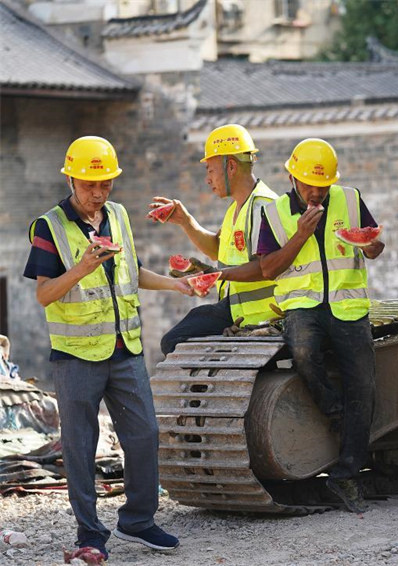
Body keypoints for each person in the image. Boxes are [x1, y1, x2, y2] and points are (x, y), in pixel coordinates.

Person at [24, 136, 189, 560]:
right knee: (80, 445)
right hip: (76, 356)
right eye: (89, 185)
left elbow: (130, 272)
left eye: (105, 185)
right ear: (71, 179)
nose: (98, 194)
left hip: (125, 347)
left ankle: (138, 521)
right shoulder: (49, 227)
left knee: (144, 433)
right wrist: (82, 266)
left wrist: (175, 283)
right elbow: (45, 295)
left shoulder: (117, 215)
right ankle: (90, 534)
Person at [258, 138, 384, 513]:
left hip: (348, 305)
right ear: (292, 176)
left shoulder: (349, 198)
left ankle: (347, 475)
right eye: (308, 184)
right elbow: (267, 269)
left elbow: (374, 244)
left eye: (322, 185)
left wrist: (372, 246)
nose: (315, 192)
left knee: (364, 383)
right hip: (302, 305)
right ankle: (333, 408)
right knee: (303, 353)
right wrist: (300, 234)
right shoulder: (276, 211)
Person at [156, 124, 280, 355]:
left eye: (210, 170)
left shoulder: (264, 206)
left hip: (261, 315)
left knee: (174, 341)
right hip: (236, 309)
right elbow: (217, 251)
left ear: (230, 166)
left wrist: (217, 275)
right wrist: (186, 221)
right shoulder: (238, 207)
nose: (207, 179)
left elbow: (267, 267)